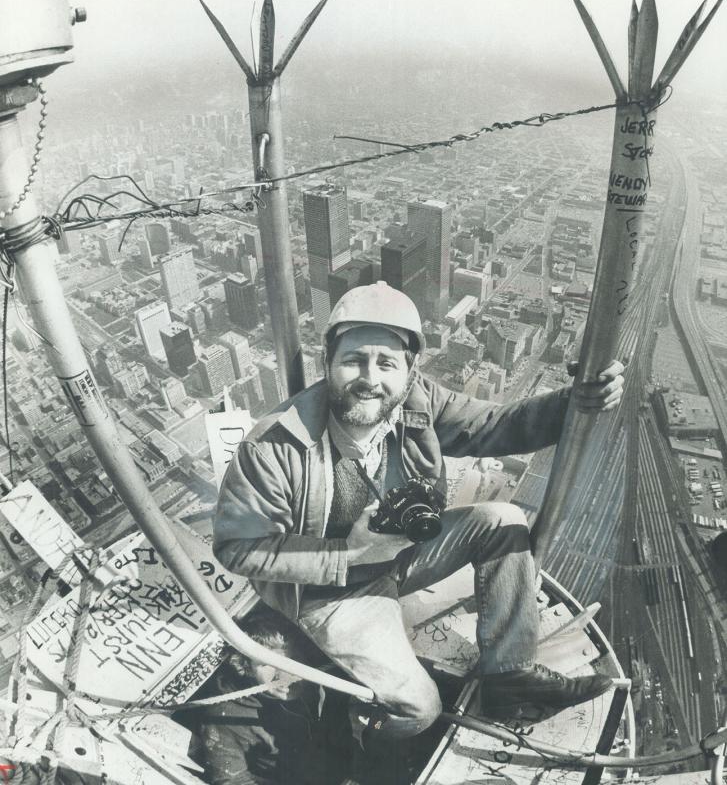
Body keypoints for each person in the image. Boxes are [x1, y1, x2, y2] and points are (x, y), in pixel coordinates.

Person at [213, 282, 624, 780]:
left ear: (408, 371)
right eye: (354, 360)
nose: (370, 379)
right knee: (418, 709)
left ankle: (509, 676)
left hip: (402, 557)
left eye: (387, 363)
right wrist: (347, 553)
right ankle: (362, 741)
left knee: (503, 520)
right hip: (332, 592)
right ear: (328, 362)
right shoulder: (274, 446)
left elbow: (496, 425)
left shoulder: (417, 401)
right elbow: (239, 548)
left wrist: (576, 401)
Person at [182, 608, 351, 785]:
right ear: (244, 666)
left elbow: (359, 719)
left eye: (292, 659)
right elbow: (231, 780)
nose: (285, 675)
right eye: (267, 664)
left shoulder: (318, 678)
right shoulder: (224, 716)